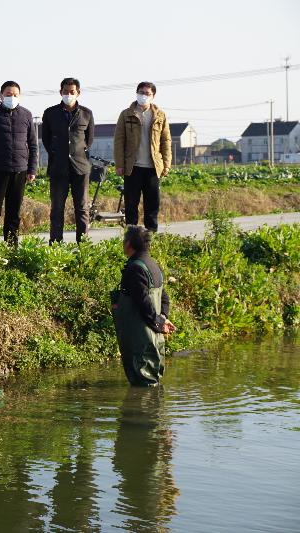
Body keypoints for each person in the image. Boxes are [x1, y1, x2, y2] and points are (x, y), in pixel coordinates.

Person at [0, 81, 39, 246]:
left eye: (15, 95)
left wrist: (32, 169)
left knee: (14, 212)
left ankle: (12, 246)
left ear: (20, 96)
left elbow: (32, 144)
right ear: (1, 95)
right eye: (8, 95)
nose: (12, 98)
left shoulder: (26, 115)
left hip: (20, 170)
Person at [111, 226, 176, 386]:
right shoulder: (153, 265)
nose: (123, 243)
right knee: (153, 381)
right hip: (153, 336)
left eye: (124, 240)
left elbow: (143, 302)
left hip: (141, 338)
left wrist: (158, 321)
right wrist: (163, 319)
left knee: (143, 385)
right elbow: (164, 297)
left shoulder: (135, 268)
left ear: (129, 244)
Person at [41, 77, 95, 243]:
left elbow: (89, 140)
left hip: (81, 167)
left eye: (72, 92)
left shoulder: (86, 113)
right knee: (57, 208)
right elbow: (46, 140)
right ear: (60, 92)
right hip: (58, 167)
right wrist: (58, 153)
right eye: (65, 92)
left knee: (82, 208)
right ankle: (56, 244)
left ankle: (83, 245)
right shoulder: (50, 113)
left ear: (78, 93)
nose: (69, 94)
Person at [113, 82, 172, 232]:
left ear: (153, 96)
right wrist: (119, 164)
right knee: (131, 206)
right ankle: (131, 238)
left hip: (153, 167)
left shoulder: (160, 115)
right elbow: (119, 140)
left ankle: (151, 239)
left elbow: (166, 141)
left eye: (147, 93)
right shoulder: (126, 114)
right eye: (141, 92)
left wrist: (166, 164)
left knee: (152, 206)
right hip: (133, 167)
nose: (143, 96)